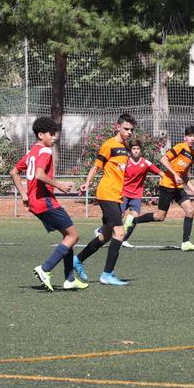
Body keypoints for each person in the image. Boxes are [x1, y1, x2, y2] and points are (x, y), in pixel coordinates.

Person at [10, 116, 87, 291]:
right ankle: (45, 269)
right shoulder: (45, 151)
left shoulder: (32, 152)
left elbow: (14, 172)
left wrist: (24, 195)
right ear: (40, 135)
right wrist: (60, 185)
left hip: (37, 202)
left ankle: (69, 279)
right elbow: (39, 174)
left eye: (55, 134)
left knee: (67, 236)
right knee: (73, 236)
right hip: (45, 201)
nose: (54, 138)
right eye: (51, 134)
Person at [74, 114, 136, 286]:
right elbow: (96, 166)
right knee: (120, 233)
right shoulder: (109, 145)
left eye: (131, 129)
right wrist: (87, 183)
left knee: (106, 236)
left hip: (115, 196)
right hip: (106, 193)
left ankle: (77, 260)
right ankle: (107, 275)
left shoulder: (125, 147)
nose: (129, 132)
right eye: (126, 129)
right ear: (117, 127)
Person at [128, 126, 194, 251]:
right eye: (190, 136)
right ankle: (133, 220)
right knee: (160, 217)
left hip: (178, 187)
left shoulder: (193, 155)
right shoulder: (180, 147)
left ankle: (186, 243)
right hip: (167, 185)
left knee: (190, 211)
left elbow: (184, 175)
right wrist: (174, 175)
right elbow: (163, 159)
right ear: (185, 137)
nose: (192, 139)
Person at [117, 139, 165, 247]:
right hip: (124, 193)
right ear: (130, 151)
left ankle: (124, 240)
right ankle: (101, 230)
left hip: (136, 195)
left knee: (134, 219)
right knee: (119, 216)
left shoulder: (146, 163)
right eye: (133, 149)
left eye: (138, 148)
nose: (136, 151)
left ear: (141, 150)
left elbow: (160, 172)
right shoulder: (125, 162)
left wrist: (169, 179)